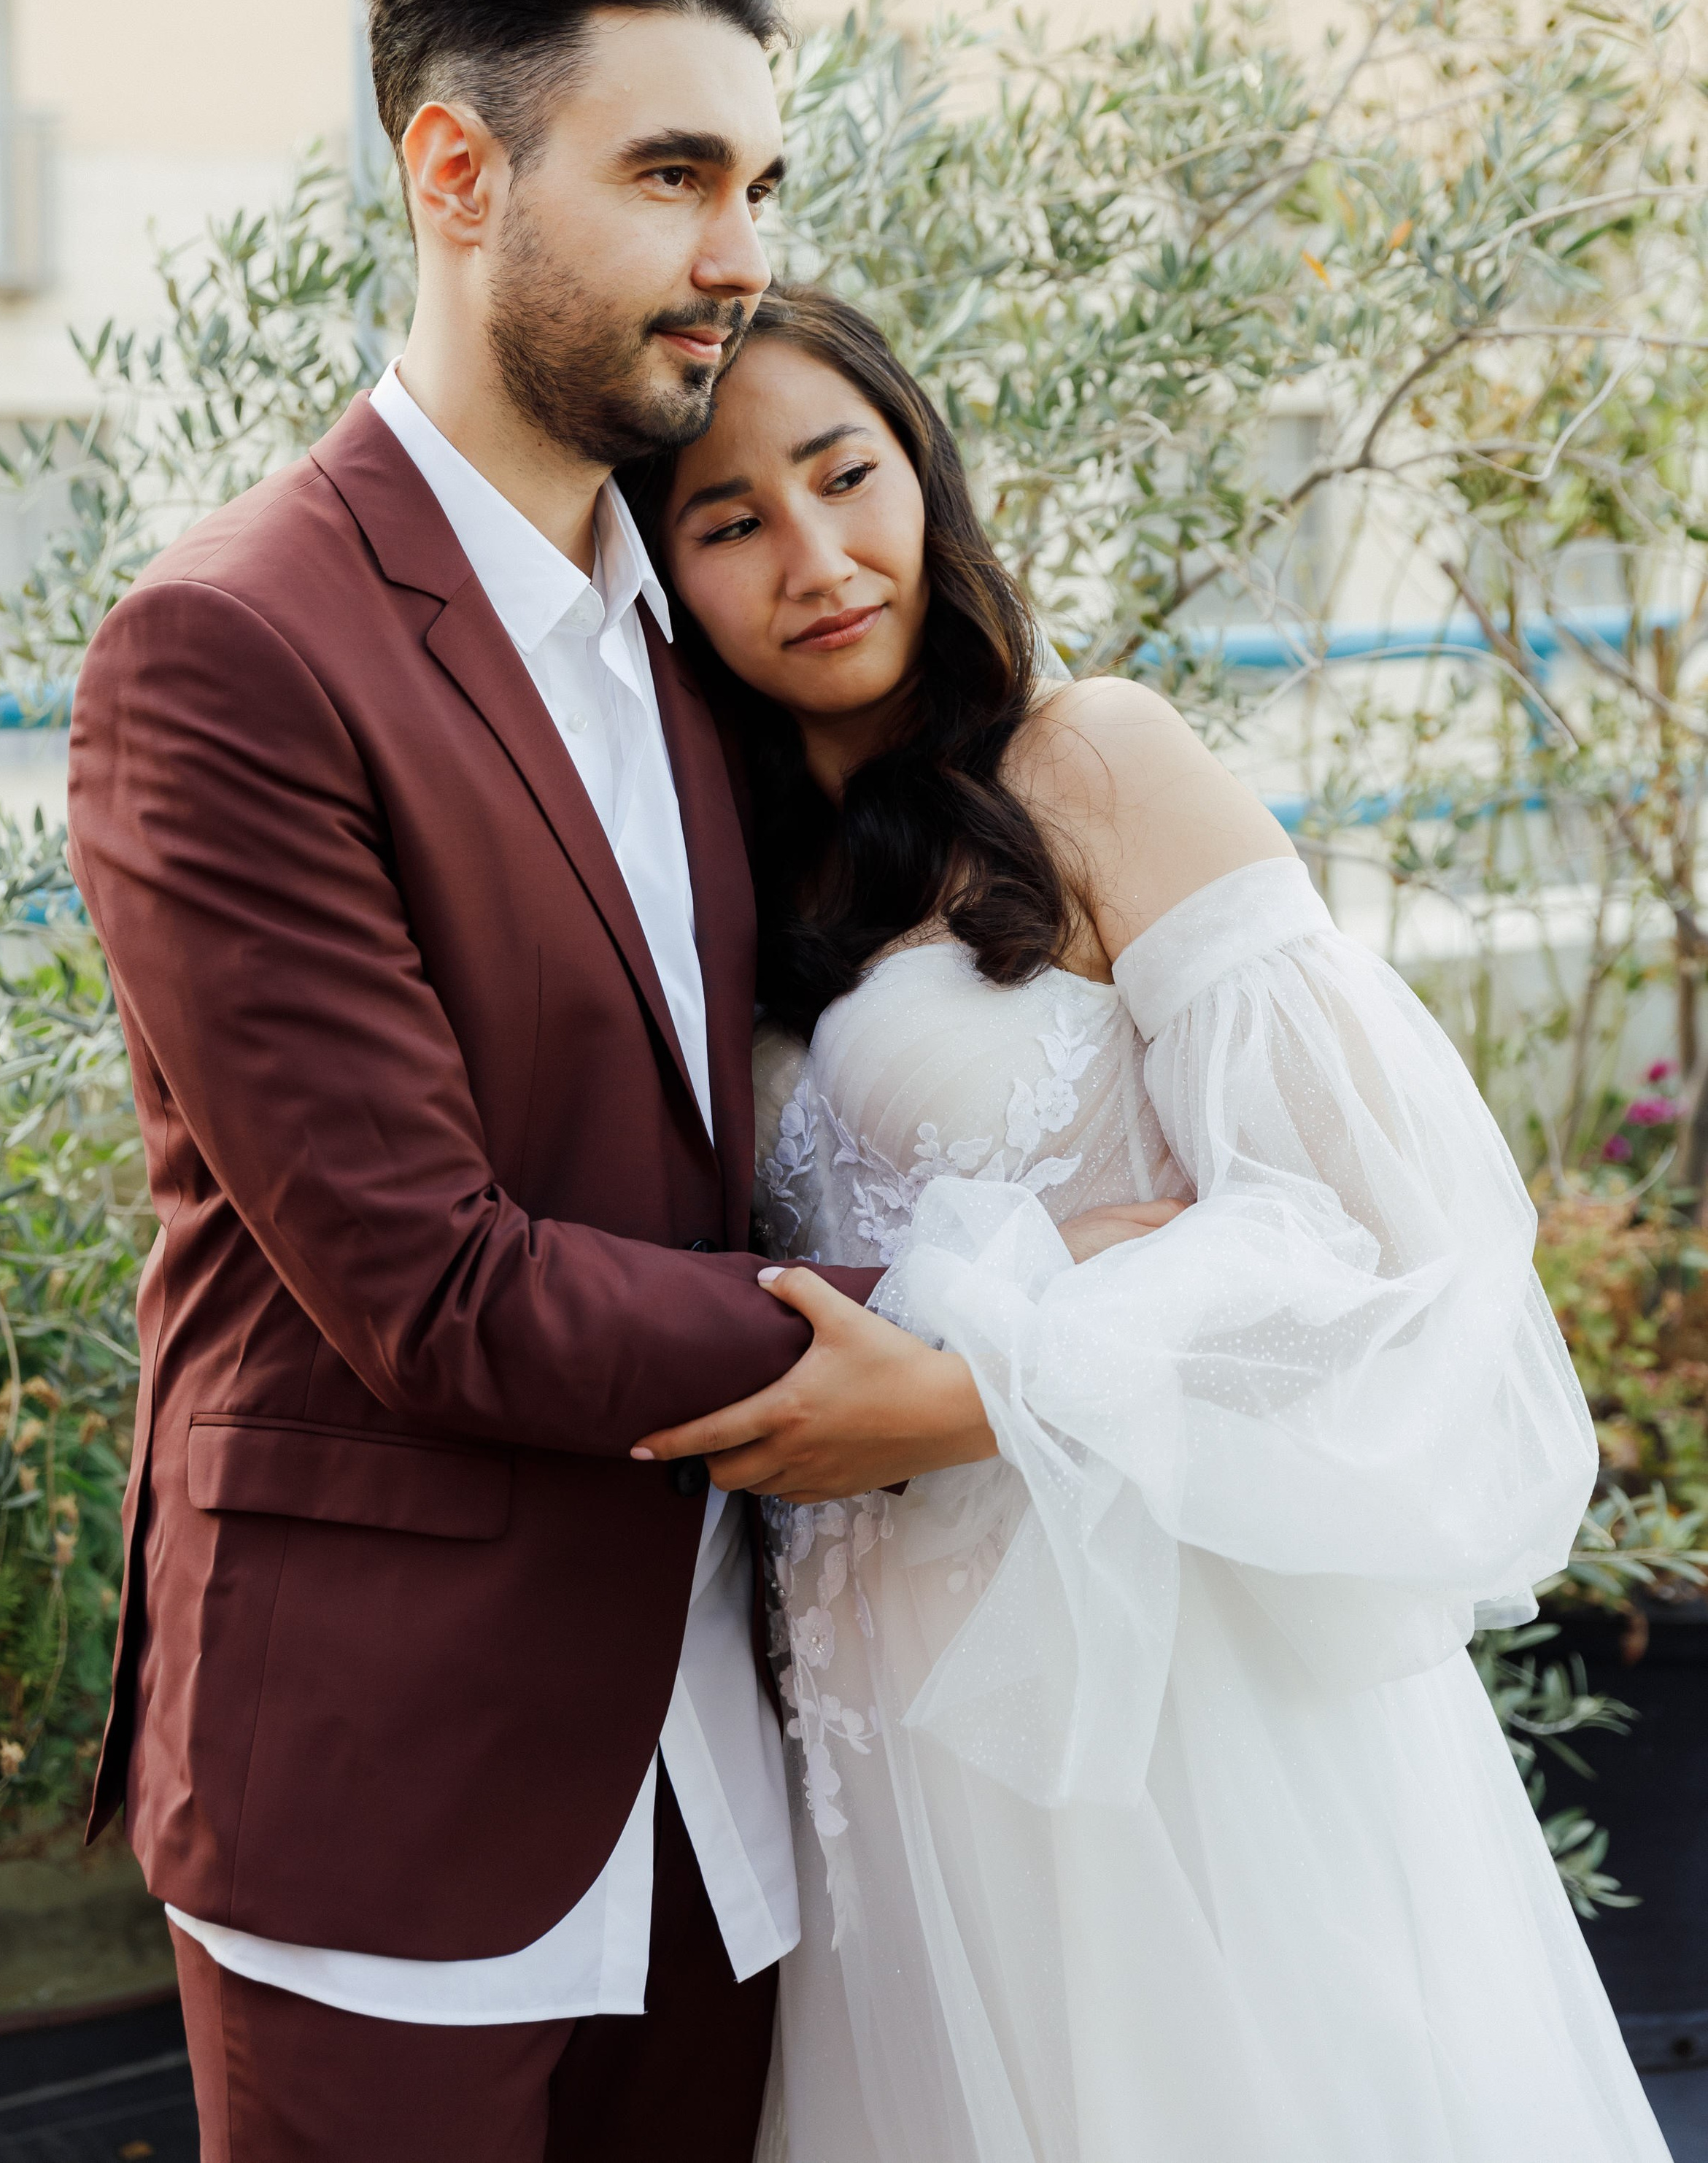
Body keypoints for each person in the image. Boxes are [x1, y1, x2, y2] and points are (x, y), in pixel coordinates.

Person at [66, 0, 996, 2163]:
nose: (739, 257)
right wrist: (979, 1354)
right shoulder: (235, 650)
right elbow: (432, 1287)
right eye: (672, 174)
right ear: (457, 171)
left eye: (760, 179)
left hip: (722, 1774)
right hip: (390, 1784)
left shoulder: (691, 617)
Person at [628, 285, 1674, 2163]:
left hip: (1153, 1703)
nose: (813, 556)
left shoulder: (1090, 759)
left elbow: (1385, 1235)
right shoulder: (732, 885)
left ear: (922, 477)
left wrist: (974, 1383)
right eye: (726, 522)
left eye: (842, 474)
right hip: (887, 1750)